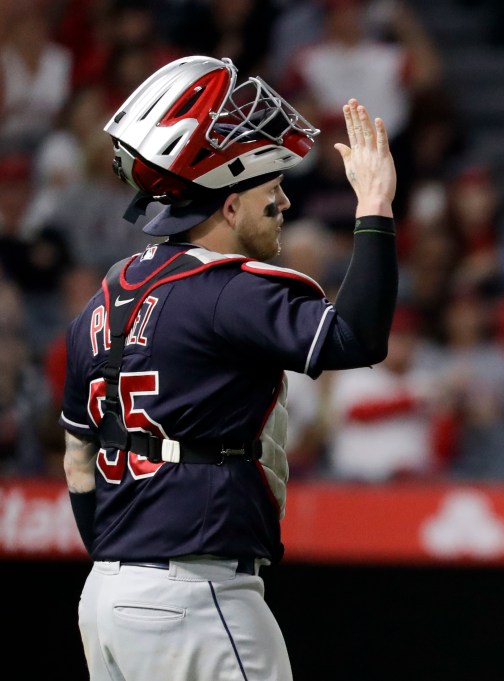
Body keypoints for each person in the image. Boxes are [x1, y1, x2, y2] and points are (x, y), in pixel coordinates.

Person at [60, 55, 397, 680]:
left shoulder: (107, 293)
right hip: (195, 595)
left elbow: (79, 463)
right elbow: (356, 338)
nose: (285, 202)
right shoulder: (229, 287)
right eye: (272, 191)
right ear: (232, 204)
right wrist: (374, 204)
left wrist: (124, 561)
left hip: (107, 597)